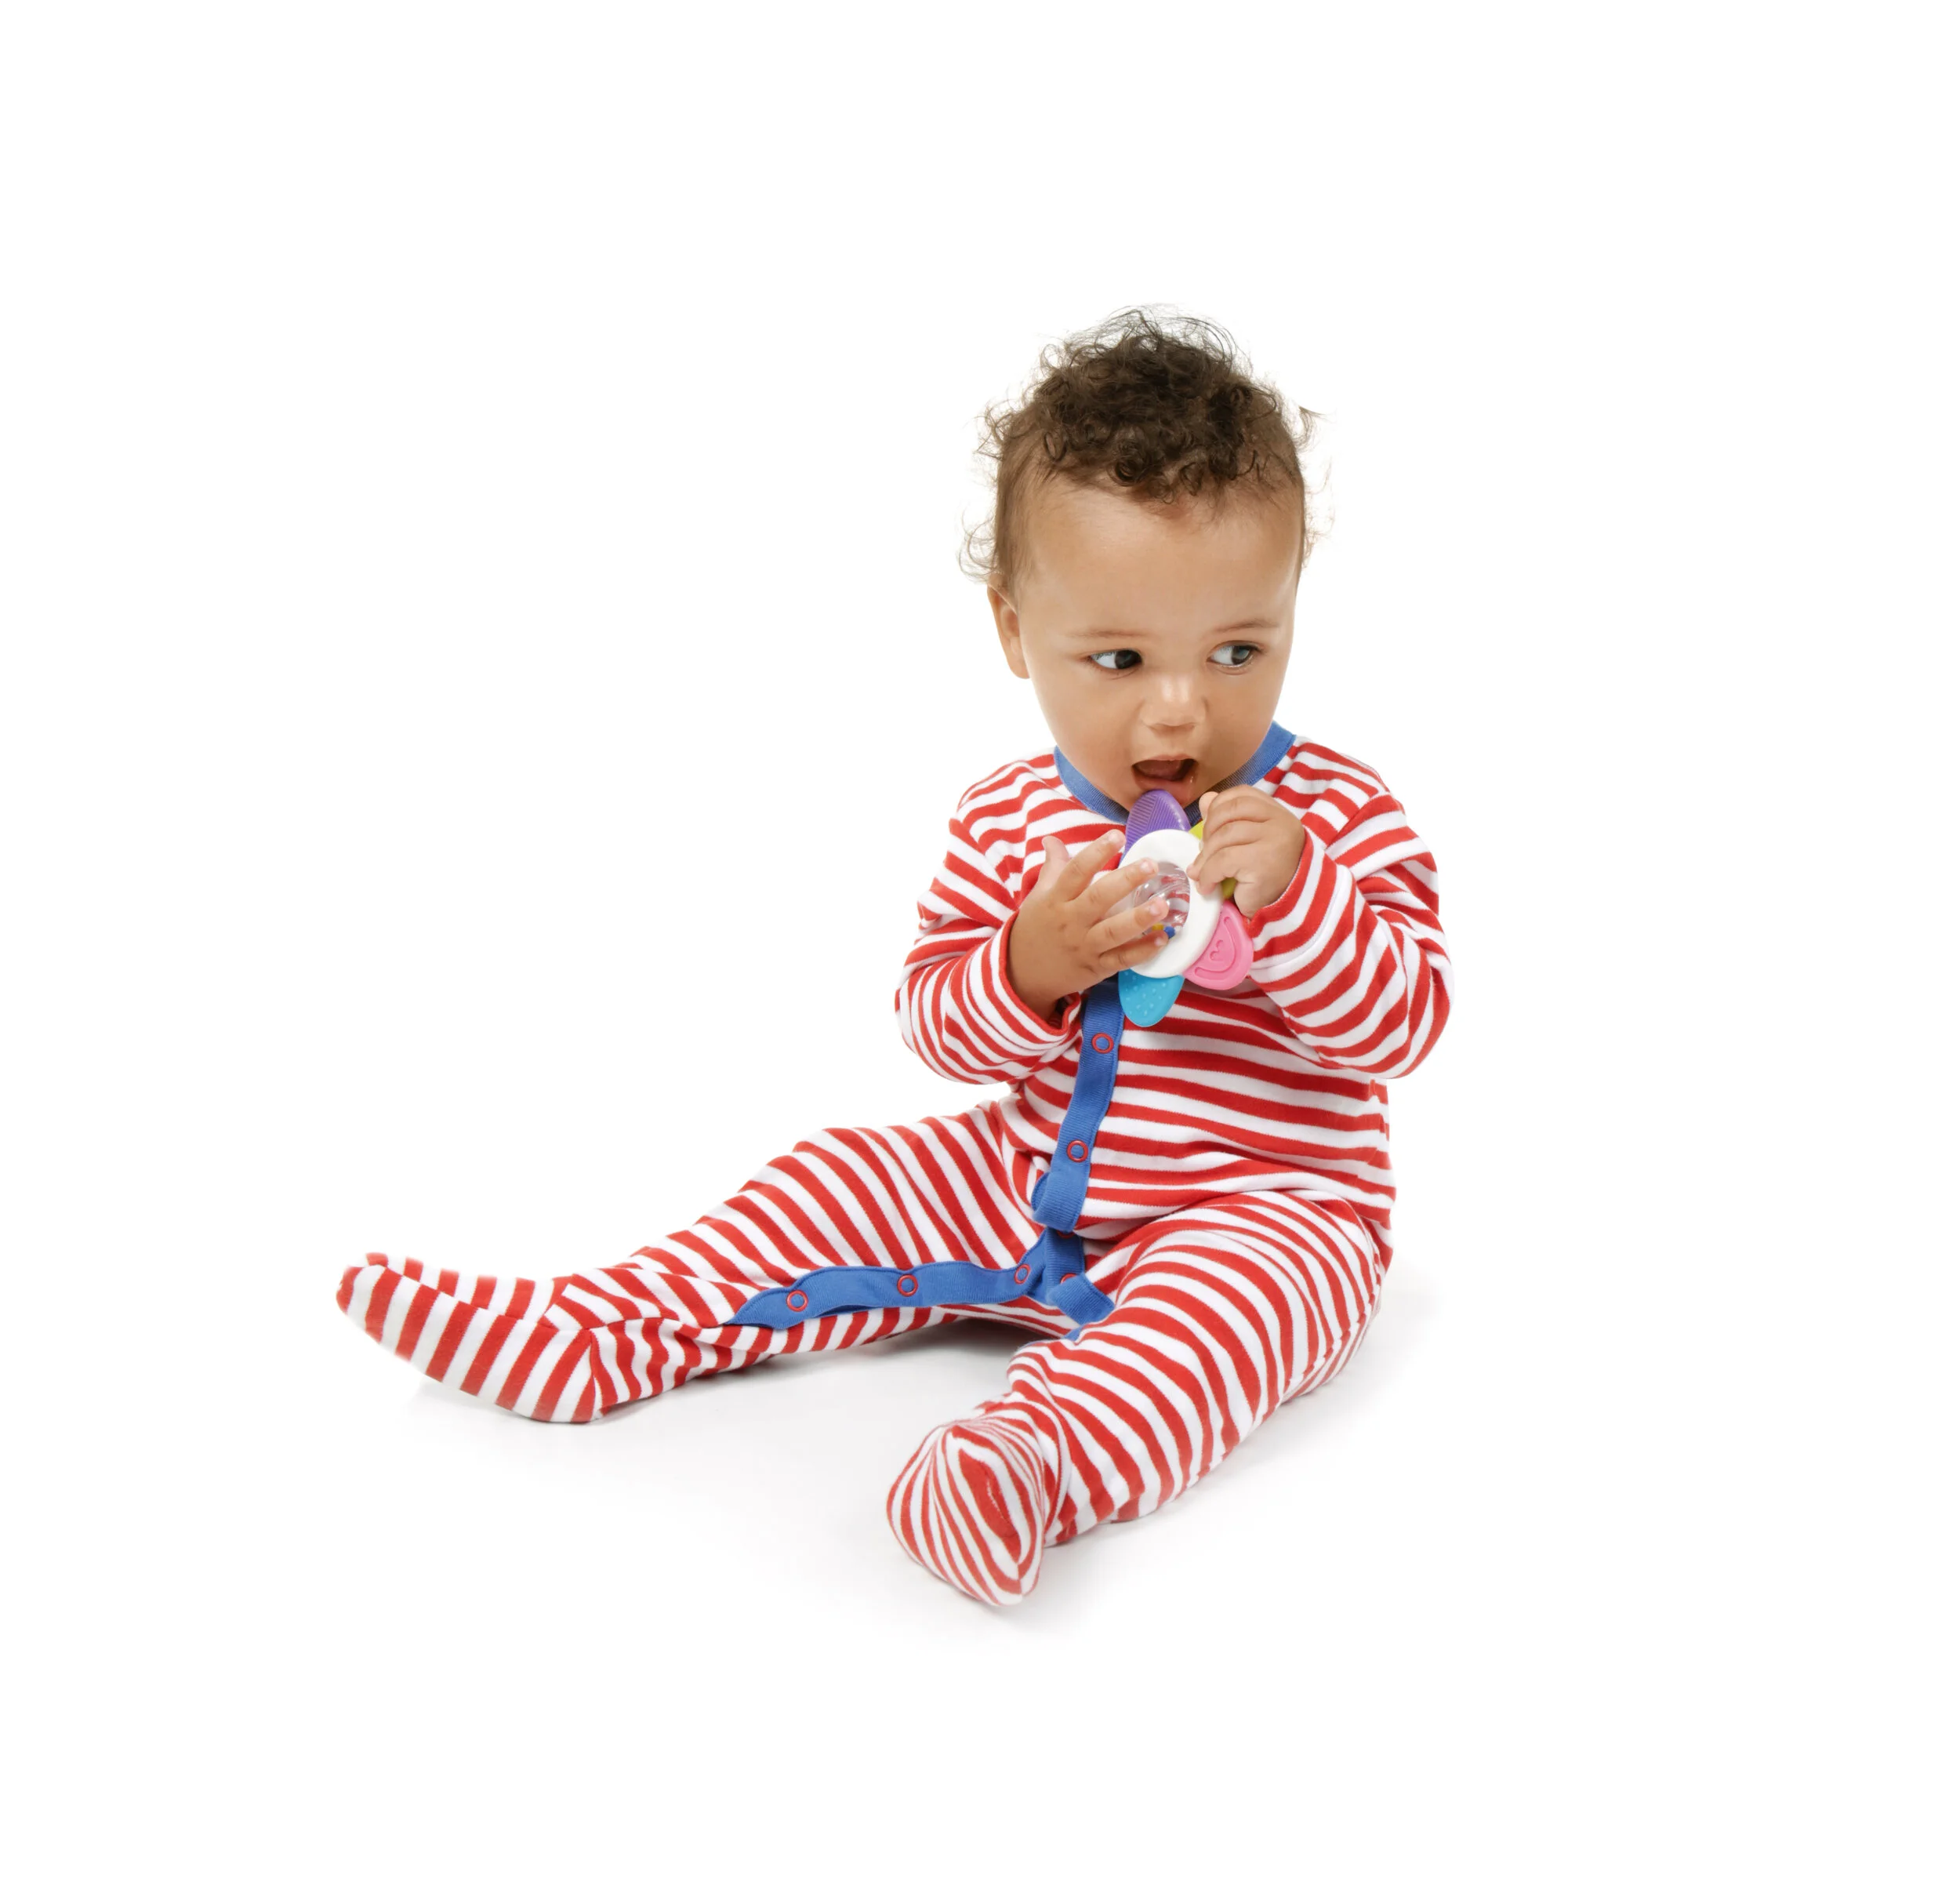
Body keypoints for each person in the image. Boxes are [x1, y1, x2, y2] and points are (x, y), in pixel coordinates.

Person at [336, 307, 1454, 1605]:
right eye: (1118, 657)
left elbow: (1405, 1028)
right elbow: (938, 1027)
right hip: (1024, 1170)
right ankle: (600, 1327)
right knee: (838, 1173)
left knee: (1218, 1322)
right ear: (1012, 632)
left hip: (1268, 1203)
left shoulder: (1338, 814)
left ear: (1289, 618)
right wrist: (1030, 965)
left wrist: (1306, 900)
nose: (1180, 706)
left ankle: (1029, 1464)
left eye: (1238, 651)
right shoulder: (1006, 819)